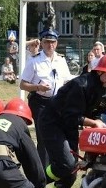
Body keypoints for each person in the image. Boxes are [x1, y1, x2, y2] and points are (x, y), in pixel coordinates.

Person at [38, 53, 106, 188]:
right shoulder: (81, 85)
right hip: (52, 122)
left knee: (71, 173)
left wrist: (95, 124)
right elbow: (70, 115)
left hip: (70, 125)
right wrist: (93, 123)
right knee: (66, 165)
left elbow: (96, 115)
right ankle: (34, 183)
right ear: (99, 71)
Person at [19, 28, 72, 164]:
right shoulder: (34, 61)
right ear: (41, 43)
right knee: (43, 137)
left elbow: (66, 81)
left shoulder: (61, 60)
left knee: (58, 134)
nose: (50, 45)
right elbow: (23, 85)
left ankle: (57, 164)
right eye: (47, 42)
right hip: (40, 103)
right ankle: (42, 171)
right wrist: (38, 87)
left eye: (53, 42)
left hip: (58, 103)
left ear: (56, 43)